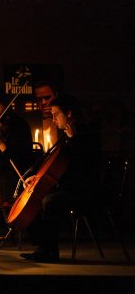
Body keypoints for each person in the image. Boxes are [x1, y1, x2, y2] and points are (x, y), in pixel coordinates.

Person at [20, 95, 100, 262]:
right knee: (39, 197)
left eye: (56, 114)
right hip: (71, 186)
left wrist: (74, 140)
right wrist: (37, 177)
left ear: (69, 113)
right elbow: (55, 164)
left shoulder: (86, 133)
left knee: (48, 201)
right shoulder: (67, 135)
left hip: (86, 191)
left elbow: (83, 167)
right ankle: (44, 248)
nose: (53, 119)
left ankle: (49, 250)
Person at [34, 81, 60, 151]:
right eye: (39, 99)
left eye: (47, 97)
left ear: (56, 95)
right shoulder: (32, 122)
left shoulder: (66, 120)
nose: (43, 102)